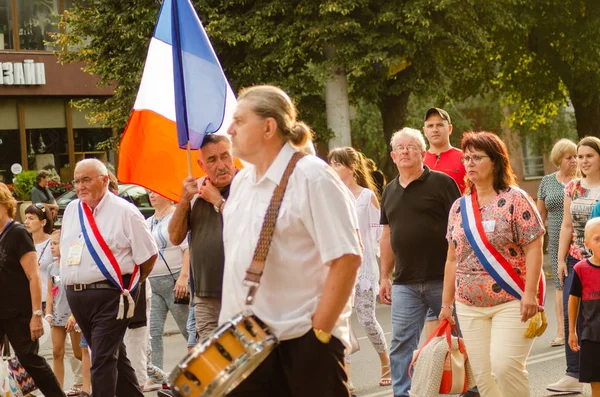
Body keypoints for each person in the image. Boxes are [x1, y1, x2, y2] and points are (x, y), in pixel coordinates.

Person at [220, 85, 362, 396]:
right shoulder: (242, 181)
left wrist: (319, 334)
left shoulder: (313, 176)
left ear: (268, 127)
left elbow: (346, 257)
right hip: (245, 345)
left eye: (240, 121)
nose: (230, 129)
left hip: (301, 344)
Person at [440, 131, 545, 397]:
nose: (470, 163)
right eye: (467, 158)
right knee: (484, 379)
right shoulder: (458, 207)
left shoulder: (516, 199)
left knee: (505, 365)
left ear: (496, 162)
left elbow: (534, 248)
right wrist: (446, 304)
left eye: (477, 157)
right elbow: (452, 258)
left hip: (512, 300)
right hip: (468, 305)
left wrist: (531, 294)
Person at [60, 159, 158, 397]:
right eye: (76, 181)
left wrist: (128, 286)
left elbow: (148, 255)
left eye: (86, 179)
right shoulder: (73, 209)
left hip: (111, 296)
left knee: (101, 360)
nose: (80, 186)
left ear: (104, 180)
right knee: (114, 355)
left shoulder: (125, 211)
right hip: (77, 295)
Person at [378, 127, 461, 397]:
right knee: (401, 342)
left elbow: (459, 226)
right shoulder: (389, 191)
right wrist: (384, 277)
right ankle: (402, 393)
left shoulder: (442, 183)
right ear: (392, 155)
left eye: (411, 146)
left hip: (442, 278)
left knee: (460, 337)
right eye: (400, 147)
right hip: (404, 282)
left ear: (423, 153)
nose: (405, 151)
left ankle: (470, 388)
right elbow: (387, 235)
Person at [328, 147, 390, 388]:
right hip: (338, 266)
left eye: (337, 164)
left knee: (366, 319)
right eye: (330, 164)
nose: (332, 168)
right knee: (341, 322)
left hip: (364, 267)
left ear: (351, 168)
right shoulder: (331, 197)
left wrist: (383, 272)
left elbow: (378, 236)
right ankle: (347, 377)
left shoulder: (367, 197)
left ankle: (386, 364)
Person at [169, 133, 236, 341]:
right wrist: (183, 200)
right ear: (201, 164)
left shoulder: (247, 185)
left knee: (244, 362)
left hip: (239, 292)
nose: (221, 165)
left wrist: (218, 201)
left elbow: (251, 226)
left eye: (225, 156)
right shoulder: (195, 193)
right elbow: (174, 237)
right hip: (205, 296)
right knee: (212, 364)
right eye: (212, 160)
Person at [0, 183, 65, 396]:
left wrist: (37, 314)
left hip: (19, 312)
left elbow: (33, 276)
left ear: (5, 205)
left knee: (30, 360)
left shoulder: (17, 232)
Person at [548, 136, 600, 394]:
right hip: (576, 259)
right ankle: (573, 373)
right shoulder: (572, 188)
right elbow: (566, 225)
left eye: (589, 155)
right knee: (573, 314)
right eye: (580, 156)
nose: (583, 161)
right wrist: (559, 259)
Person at [537, 138, 578, 347]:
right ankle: (562, 331)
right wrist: (537, 244)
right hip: (555, 240)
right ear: (558, 160)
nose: (573, 161)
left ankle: (580, 329)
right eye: (568, 157)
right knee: (561, 284)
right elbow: (540, 215)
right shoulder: (547, 182)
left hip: (580, 237)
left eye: (575, 157)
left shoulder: (582, 180)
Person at [146, 191, 190, 371]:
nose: (151, 195)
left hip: (174, 281)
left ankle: (204, 366)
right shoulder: (148, 221)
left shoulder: (176, 216)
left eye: (155, 191)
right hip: (152, 282)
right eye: (148, 192)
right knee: (153, 332)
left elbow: (188, 248)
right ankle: (156, 373)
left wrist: (184, 277)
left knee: (188, 329)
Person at [45, 230, 83, 391]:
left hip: (73, 316)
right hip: (57, 316)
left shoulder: (72, 265)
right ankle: (58, 389)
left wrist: (74, 316)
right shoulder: (51, 268)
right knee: (56, 352)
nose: (52, 247)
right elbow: (49, 293)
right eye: (51, 244)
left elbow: (79, 292)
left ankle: (91, 381)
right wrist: (48, 313)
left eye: (55, 243)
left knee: (79, 353)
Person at [568, 218, 600, 397]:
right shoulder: (581, 269)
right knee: (596, 384)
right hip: (591, 337)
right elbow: (573, 300)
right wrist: (572, 331)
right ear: (587, 244)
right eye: (598, 239)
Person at [23, 203, 54, 312]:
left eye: (31, 218)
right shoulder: (24, 244)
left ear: (43, 222)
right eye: (26, 218)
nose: (26, 222)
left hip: (48, 302)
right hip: (27, 301)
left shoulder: (53, 243)